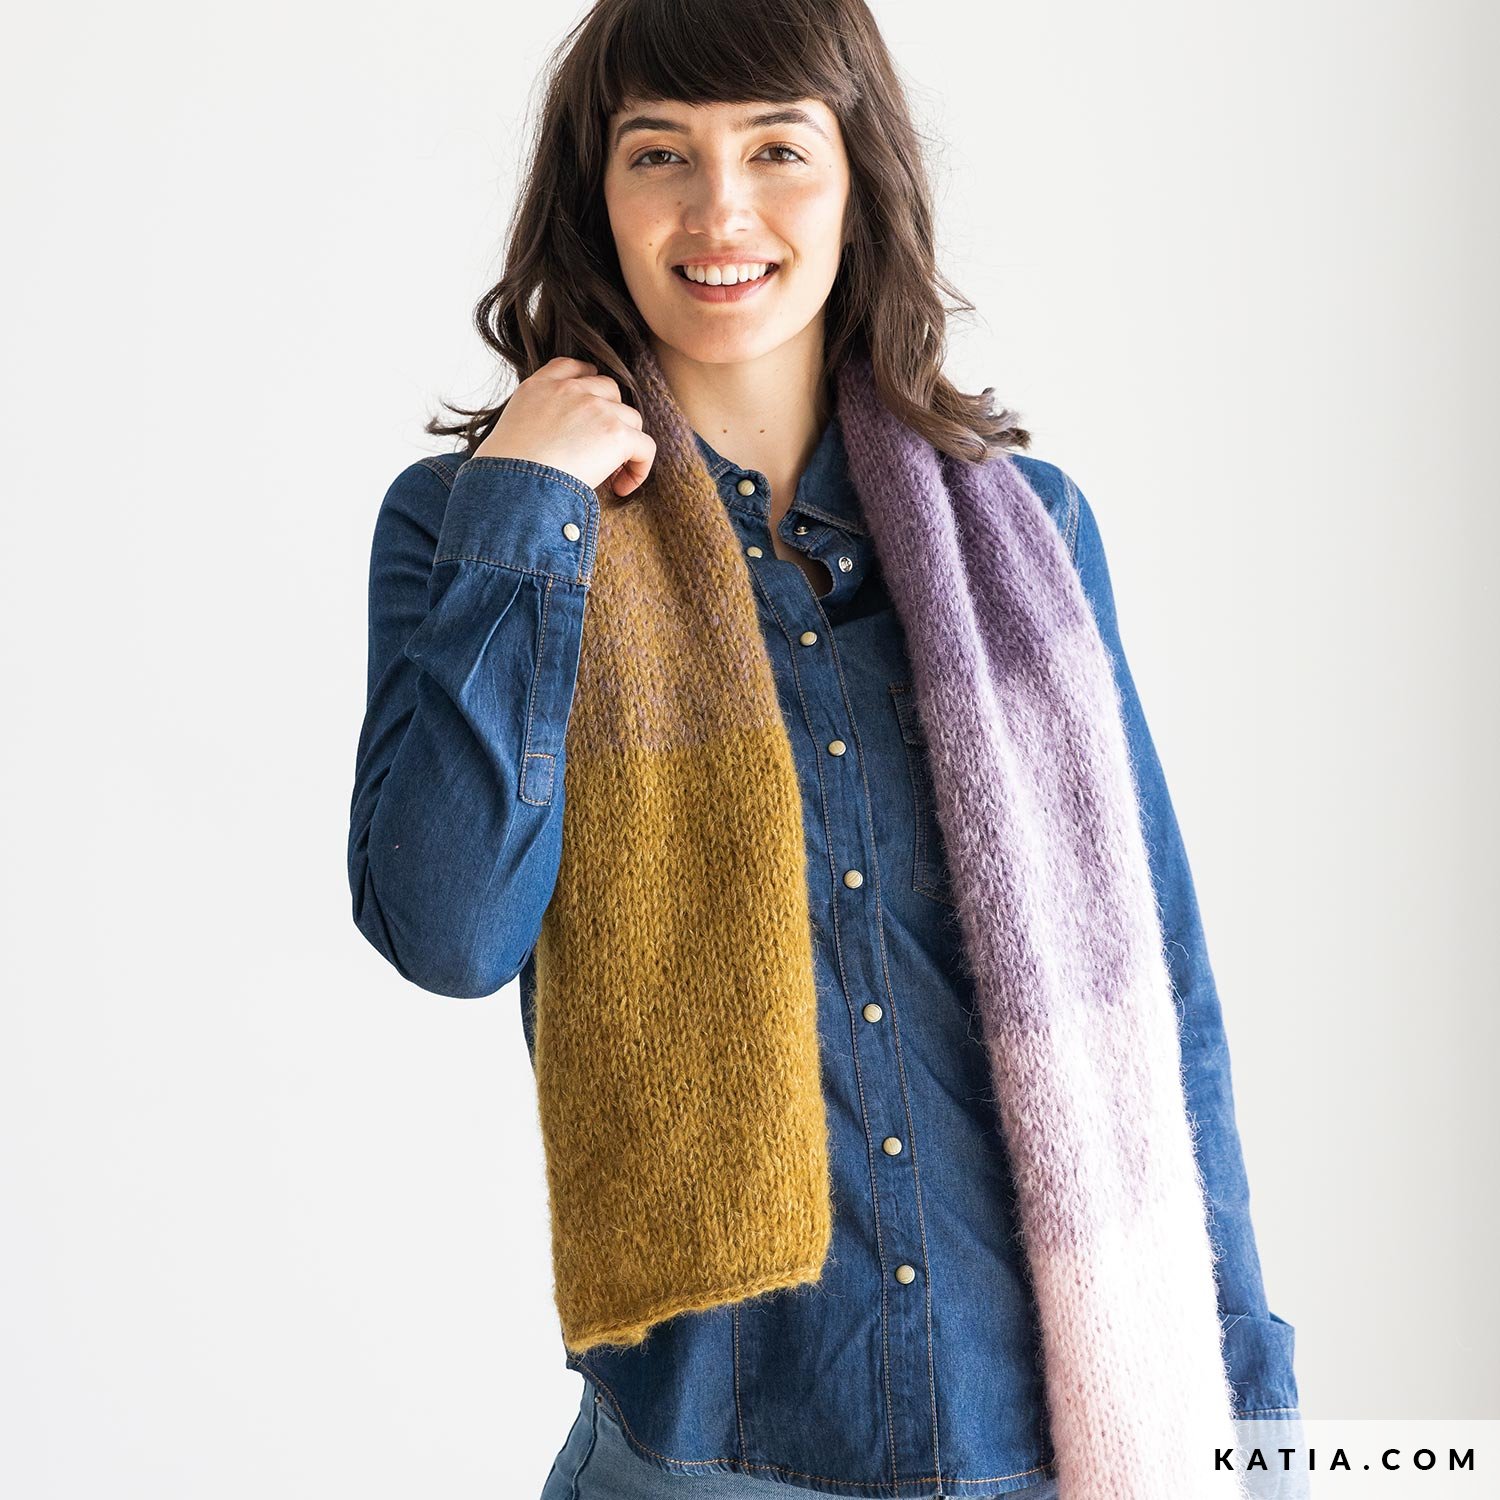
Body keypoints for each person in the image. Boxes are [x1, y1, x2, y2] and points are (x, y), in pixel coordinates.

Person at [346, 1, 1301, 1496]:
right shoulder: (482, 529)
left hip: (1050, 1444)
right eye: (659, 153)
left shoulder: (1029, 537)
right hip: (703, 1461)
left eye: (777, 148)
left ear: (860, 178)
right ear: (597, 194)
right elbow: (447, 931)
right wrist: (529, 514)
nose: (719, 212)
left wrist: (1253, 1416)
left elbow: (1158, 996)